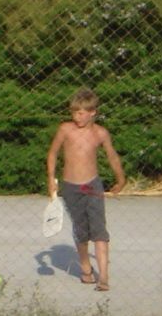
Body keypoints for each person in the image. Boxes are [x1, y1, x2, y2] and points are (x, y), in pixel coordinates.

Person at [46, 88, 126, 291]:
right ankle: (86, 268)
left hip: (92, 185)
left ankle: (104, 277)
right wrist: (51, 179)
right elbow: (53, 153)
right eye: (74, 112)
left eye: (81, 113)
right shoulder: (66, 129)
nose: (76, 117)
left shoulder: (100, 133)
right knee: (81, 230)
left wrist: (120, 178)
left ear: (93, 113)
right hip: (70, 186)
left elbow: (112, 156)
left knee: (99, 230)